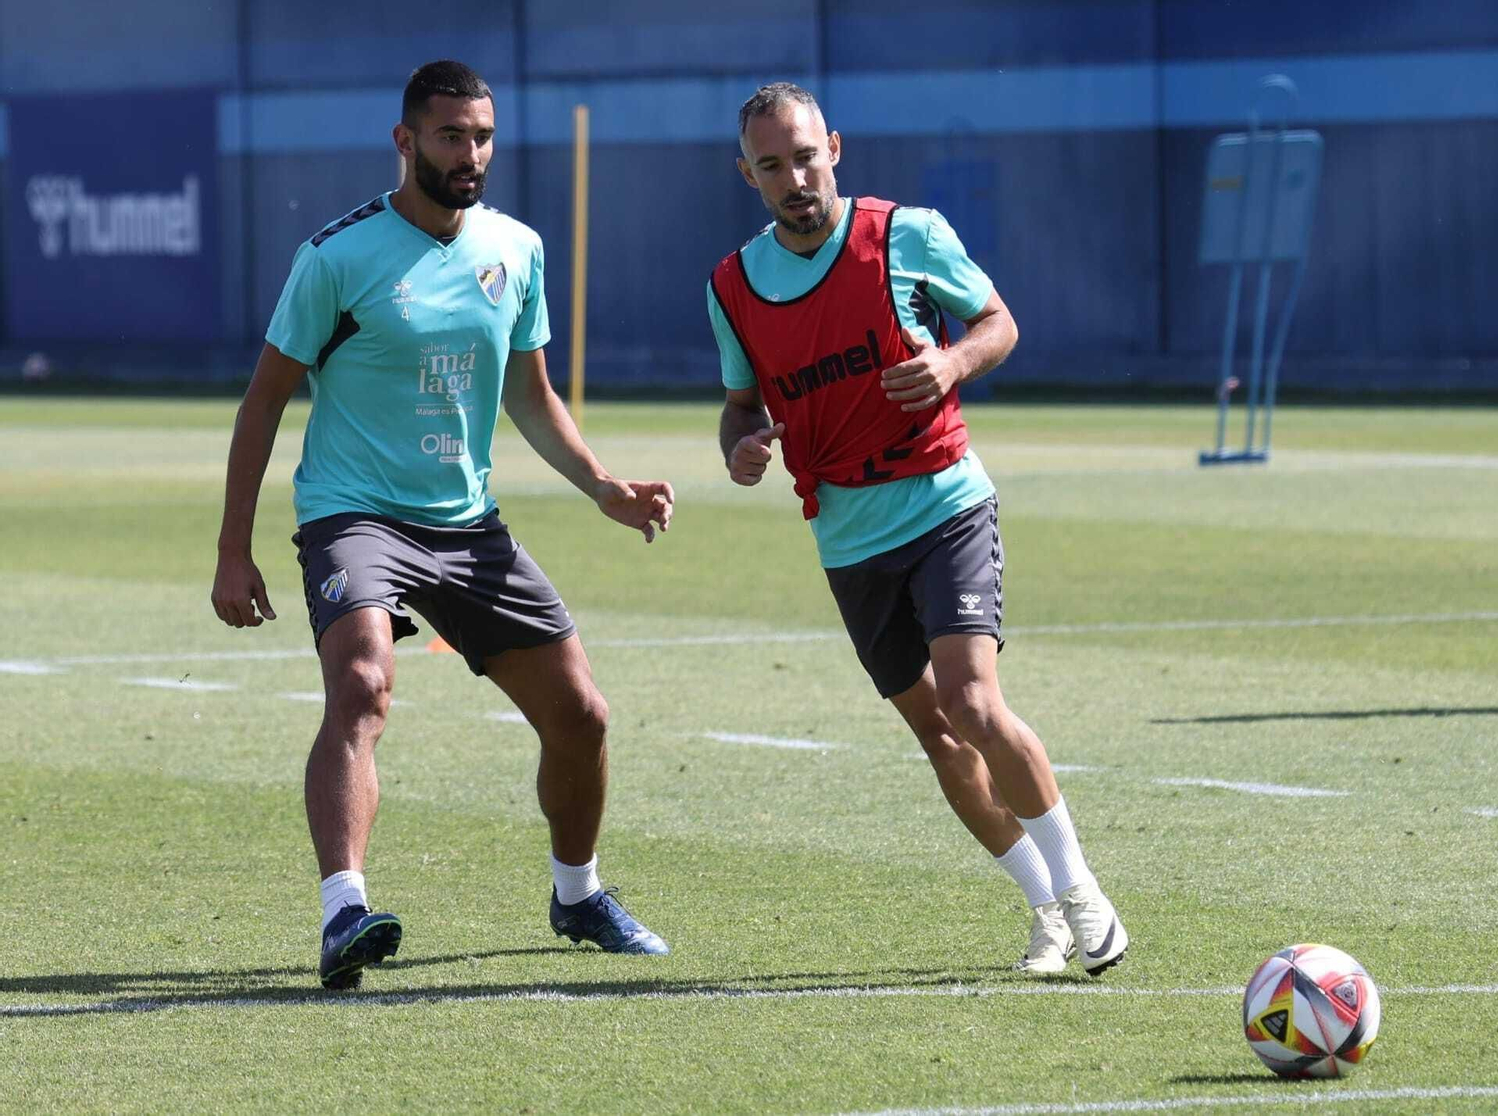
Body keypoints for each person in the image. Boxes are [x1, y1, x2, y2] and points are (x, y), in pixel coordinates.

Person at [211, 60, 673, 990]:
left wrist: (602, 488)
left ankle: (576, 896)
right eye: (452, 135)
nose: (472, 154)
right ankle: (344, 910)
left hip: (468, 526)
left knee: (582, 716)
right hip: (355, 515)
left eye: (483, 136)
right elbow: (261, 404)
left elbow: (531, 399)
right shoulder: (336, 257)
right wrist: (233, 549)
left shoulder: (517, 249)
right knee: (363, 686)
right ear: (406, 140)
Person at [708, 83, 1128, 977]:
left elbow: (998, 322)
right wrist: (742, 448)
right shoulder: (733, 286)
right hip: (848, 537)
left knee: (974, 703)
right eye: (772, 164)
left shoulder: (907, 234)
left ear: (836, 149)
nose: (795, 177)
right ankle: (1044, 909)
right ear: (747, 174)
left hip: (943, 501)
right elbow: (741, 406)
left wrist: (952, 361)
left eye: (806, 155)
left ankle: (1085, 893)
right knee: (939, 735)